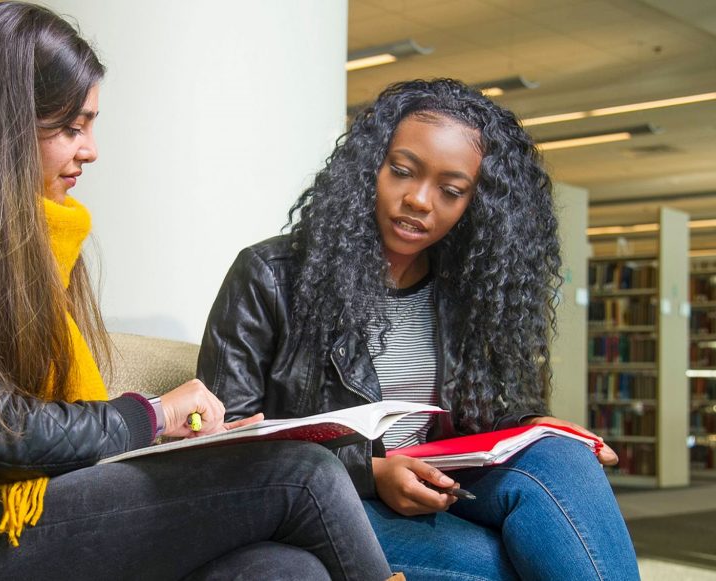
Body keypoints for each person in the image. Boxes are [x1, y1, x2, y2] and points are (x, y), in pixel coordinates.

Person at [0, 3, 397, 580]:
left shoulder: (10, 234)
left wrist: (161, 438)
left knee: (284, 568)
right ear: (1, 122)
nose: (91, 150)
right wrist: (149, 415)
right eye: (70, 126)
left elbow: (7, 422)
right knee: (302, 474)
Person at [198, 78, 640, 581]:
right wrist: (372, 471)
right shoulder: (271, 274)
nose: (420, 201)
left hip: (442, 480)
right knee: (513, 563)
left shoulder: (468, 289)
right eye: (402, 172)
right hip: (323, 498)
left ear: (476, 204)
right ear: (370, 169)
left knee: (562, 460)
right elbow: (224, 441)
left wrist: (538, 426)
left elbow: (481, 421)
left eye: (451, 191)